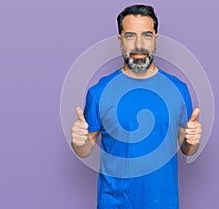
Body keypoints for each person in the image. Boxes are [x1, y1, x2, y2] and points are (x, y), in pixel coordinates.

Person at [71, 4, 202, 209]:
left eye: (147, 35)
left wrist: (192, 141)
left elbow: (187, 149)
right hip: (114, 203)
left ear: (155, 38)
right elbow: (85, 149)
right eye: (130, 36)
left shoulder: (178, 89)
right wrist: (78, 142)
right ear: (120, 40)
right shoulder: (99, 92)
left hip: (163, 203)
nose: (139, 45)